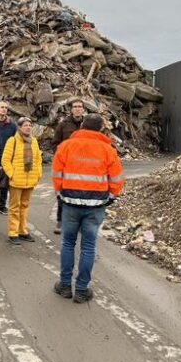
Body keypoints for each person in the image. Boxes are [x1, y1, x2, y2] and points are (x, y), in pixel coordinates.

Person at [52, 114, 125, 303]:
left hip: (69, 203)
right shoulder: (108, 150)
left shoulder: (66, 146)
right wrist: (110, 197)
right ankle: (82, 289)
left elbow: (57, 173)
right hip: (95, 206)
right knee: (88, 246)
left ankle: (65, 285)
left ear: (82, 126)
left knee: (68, 243)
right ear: (101, 129)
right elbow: (116, 179)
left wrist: (60, 192)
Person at [1, 116, 43, 245]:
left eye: (30, 125)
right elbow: (5, 160)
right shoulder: (12, 141)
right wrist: (12, 174)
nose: (28, 127)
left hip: (30, 180)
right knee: (14, 207)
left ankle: (23, 231)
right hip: (16, 180)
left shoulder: (34, 141)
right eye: (25, 125)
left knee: (24, 206)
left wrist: (38, 174)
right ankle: (13, 232)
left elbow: (37, 160)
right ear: (19, 127)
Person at [51, 98, 85, 234]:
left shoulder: (87, 125)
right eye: (75, 106)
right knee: (62, 193)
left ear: (83, 109)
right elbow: (55, 143)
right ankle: (60, 221)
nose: (77, 108)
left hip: (83, 166)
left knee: (81, 194)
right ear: (71, 109)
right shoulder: (64, 125)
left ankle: (78, 223)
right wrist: (62, 157)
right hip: (67, 166)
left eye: (80, 106)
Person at [0, 100, 17, 215]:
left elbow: (17, 139)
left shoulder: (12, 125)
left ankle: (2, 206)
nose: (4, 109)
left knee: (4, 183)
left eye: (6, 108)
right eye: (2, 107)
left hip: (7, 157)